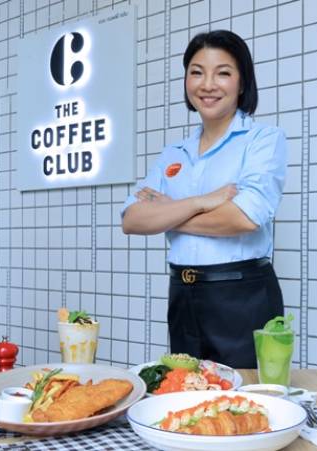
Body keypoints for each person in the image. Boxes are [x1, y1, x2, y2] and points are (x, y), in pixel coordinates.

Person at [121, 30, 287, 369]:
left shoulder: (263, 140)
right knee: (185, 390)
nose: (208, 84)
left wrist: (168, 213)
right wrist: (201, 201)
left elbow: (244, 218)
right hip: (182, 295)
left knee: (243, 396)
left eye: (222, 73)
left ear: (242, 82)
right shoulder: (173, 153)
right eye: (197, 72)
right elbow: (132, 220)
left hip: (242, 296)